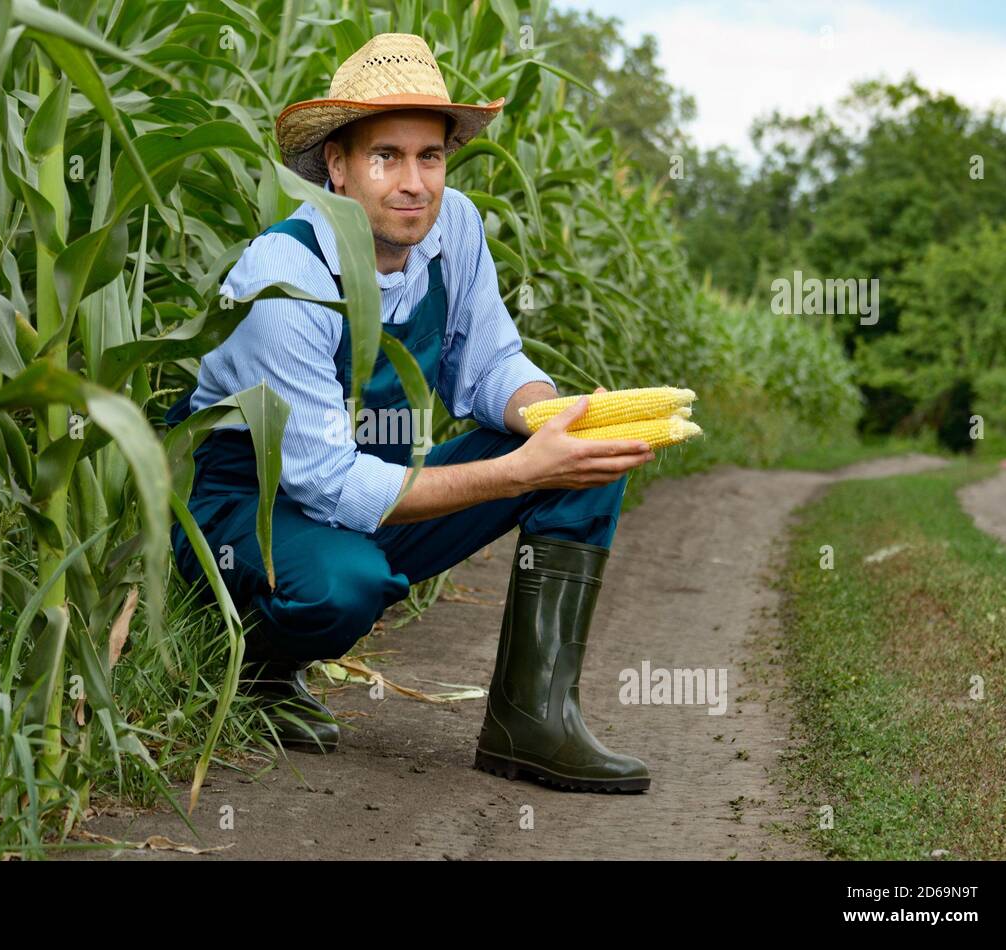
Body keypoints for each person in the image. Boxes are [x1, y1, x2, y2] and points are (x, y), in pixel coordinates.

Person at [164, 33, 655, 792]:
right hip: (242, 507)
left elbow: (490, 362)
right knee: (343, 587)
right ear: (337, 165)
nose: (414, 182)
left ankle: (532, 720)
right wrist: (517, 471)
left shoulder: (453, 227)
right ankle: (255, 664)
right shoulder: (285, 275)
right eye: (385, 156)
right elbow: (330, 484)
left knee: (587, 452)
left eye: (430, 156)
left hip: (366, 487)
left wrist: (549, 420)